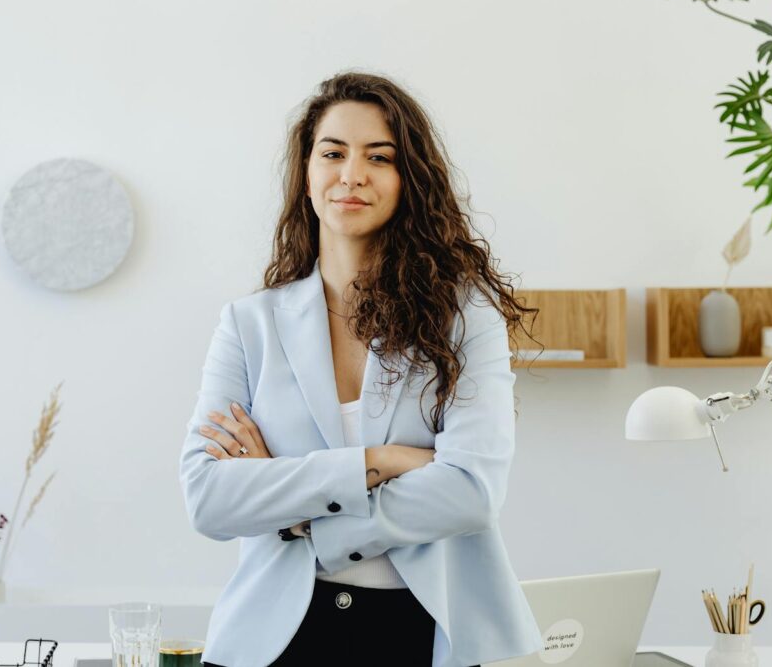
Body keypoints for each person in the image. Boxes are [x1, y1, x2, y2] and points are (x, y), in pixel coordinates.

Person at [179, 71, 542, 667]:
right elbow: (210, 500)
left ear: (408, 180)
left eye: (379, 156)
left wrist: (301, 518)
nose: (352, 174)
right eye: (333, 153)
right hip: (274, 636)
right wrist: (379, 463)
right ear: (307, 173)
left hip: (421, 629)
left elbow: (471, 493)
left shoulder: (463, 315)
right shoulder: (249, 325)